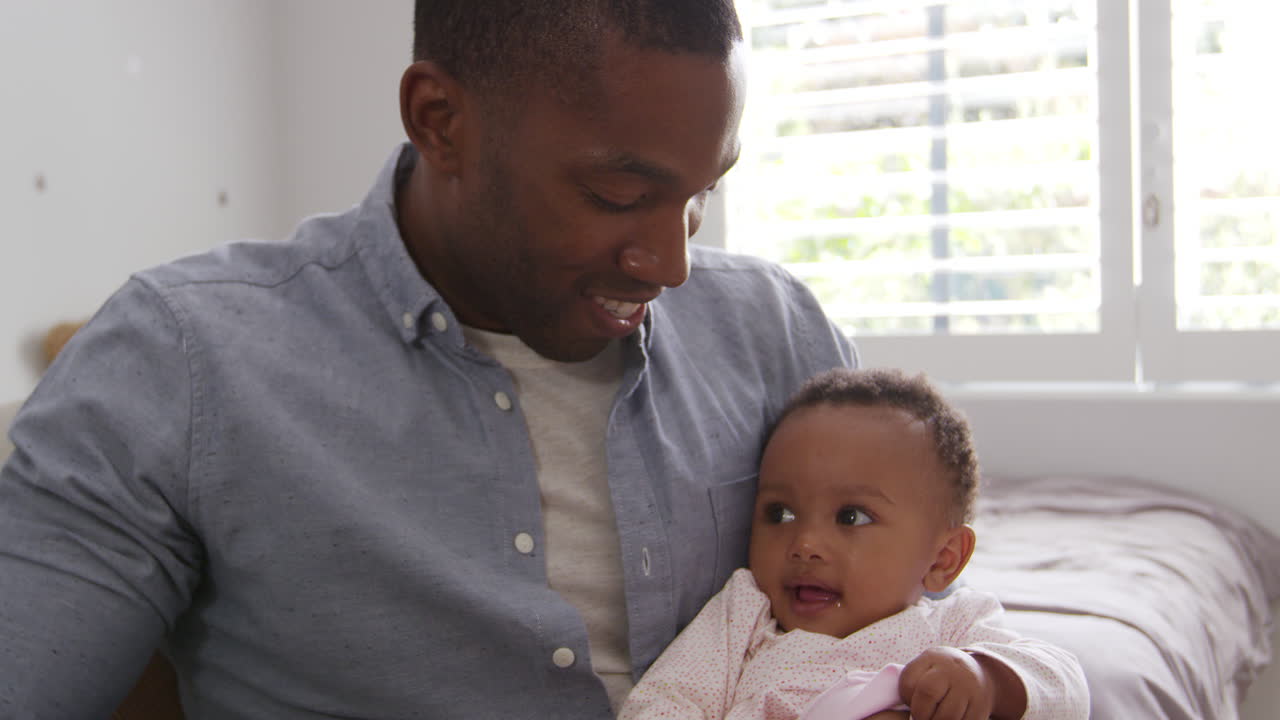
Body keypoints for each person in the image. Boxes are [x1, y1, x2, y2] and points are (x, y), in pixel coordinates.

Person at [0, 2, 856, 718]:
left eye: (703, 191)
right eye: (618, 197)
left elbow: (918, 635)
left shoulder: (776, 333)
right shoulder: (179, 361)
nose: (672, 264)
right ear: (439, 122)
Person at [618, 368, 1089, 720]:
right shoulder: (745, 615)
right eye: (779, 513)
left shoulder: (951, 629)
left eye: (851, 517)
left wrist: (986, 679)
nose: (804, 544)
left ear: (943, 559)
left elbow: (1066, 684)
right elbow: (663, 701)